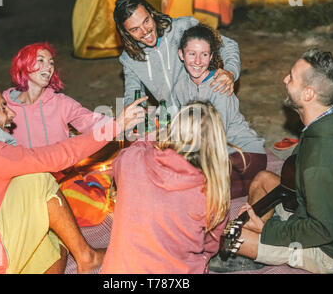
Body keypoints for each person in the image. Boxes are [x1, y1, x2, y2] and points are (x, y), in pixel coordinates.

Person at [0, 80, 146, 274]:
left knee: (53, 243)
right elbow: (57, 156)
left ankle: (76, 255)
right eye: (2, 108)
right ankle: (87, 257)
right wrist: (115, 126)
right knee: (36, 178)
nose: (11, 114)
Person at [233, 49, 333, 274]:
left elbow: (322, 230)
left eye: (291, 77)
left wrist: (269, 230)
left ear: (308, 94)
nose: (284, 80)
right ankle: (260, 243)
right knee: (263, 179)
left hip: (331, 249)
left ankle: (256, 248)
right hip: (316, 209)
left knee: (233, 236)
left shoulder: (323, 162)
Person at [101, 102, 238, 273]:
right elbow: (211, 245)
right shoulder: (212, 192)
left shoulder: (131, 160)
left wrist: (152, 136)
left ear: (171, 131)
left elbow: (123, 159)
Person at [176, 24, 266, 199]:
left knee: (199, 191)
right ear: (181, 54)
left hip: (243, 154)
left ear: (211, 57)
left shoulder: (219, 85)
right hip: (214, 158)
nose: (197, 61)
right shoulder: (181, 86)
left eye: (204, 55)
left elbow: (215, 138)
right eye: (192, 54)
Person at [113, 0, 241, 113]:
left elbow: (227, 45)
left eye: (146, 21)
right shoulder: (129, 59)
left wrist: (230, 72)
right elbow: (134, 96)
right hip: (174, 120)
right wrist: (132, 116)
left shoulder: (182, 27)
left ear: (151, 13)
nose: (145, 31)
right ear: (126, 33)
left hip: (207, 110)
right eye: (135, 29)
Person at [2, 42, 110, 148]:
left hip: (59, 165)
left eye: (51, 63)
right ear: (24, 65)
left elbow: (90, 121)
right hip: (23, 165)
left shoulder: (61, 103)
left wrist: (118, 124)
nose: (48, 66)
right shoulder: (5, 107)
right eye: (41, 60)